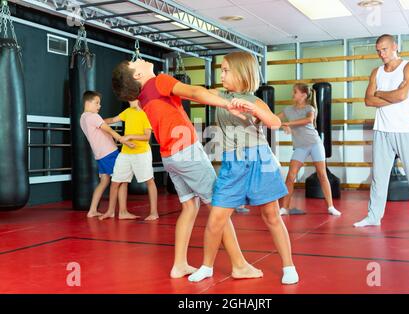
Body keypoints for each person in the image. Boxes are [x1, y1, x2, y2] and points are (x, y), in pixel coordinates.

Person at [111, 59, 262, 279]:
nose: (140, 58)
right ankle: (239, 265)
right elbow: (193, 91)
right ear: (137, 76)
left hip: (170, 157)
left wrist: (218, 93)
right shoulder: (159, 81)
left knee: (190, 208)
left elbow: (192, 94)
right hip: (187, 152)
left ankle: (179, 265)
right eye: (135, 62)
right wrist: (228, 104)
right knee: (218, 208)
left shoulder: (145, 96)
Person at [188, 51, 299, 285]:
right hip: (233, 163)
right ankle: (207, 266)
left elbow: (275, 123)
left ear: (242, 73)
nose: (222, 74)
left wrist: (253, 110)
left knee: (271, 216)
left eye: (227, 70)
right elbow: (197, 95)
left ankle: (289, 266)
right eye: (222, 69)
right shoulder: (219, 95)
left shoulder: (255, 100)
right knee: (216, 218)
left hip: (260, 160)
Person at [353, 34, 409, 234]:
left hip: (404, 130)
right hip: (381, 130)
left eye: (385, 49)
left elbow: (402, 95)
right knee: (379, 178)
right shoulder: (376, 72)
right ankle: (373, 217)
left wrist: (379, 93)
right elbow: (368, 101)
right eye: (378, 50)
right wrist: (388, 95)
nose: (381, 54)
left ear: (395, 47)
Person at [277, 83, 341, 216]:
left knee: (322, 175)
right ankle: (284, 207)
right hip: (300, 146)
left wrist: (288, 123)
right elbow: (276, 118)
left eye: (295, 92)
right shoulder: (288, 109)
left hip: (314, 143)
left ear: (304, 95)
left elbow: (308, 120)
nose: (292, 94)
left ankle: (330, 206)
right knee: (290, 176)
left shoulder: (309, 108)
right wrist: (260, 117)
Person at [79, 91, 136, 219]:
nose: (99, 106)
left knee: (104, 181)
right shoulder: (93, 117)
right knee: (122, 180)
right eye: (97, 103)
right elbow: (108, 129)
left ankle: (92, 210)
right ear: (88, 102)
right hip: (109, 153)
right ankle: (122, 212)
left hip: (100, 155)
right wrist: (121, 139)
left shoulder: (83, 118)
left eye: (100, 103)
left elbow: (102, 128)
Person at [100, 99, 158, 221]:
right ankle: (113, 212)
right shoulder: (127, 111)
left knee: (149, 181)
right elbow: (111, 120)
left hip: (142, 153)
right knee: (116, 182)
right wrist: (98, 122)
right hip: (125, 153)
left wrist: (130, 136)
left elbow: (147, 137)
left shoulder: (145, 113)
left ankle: (154, 212)